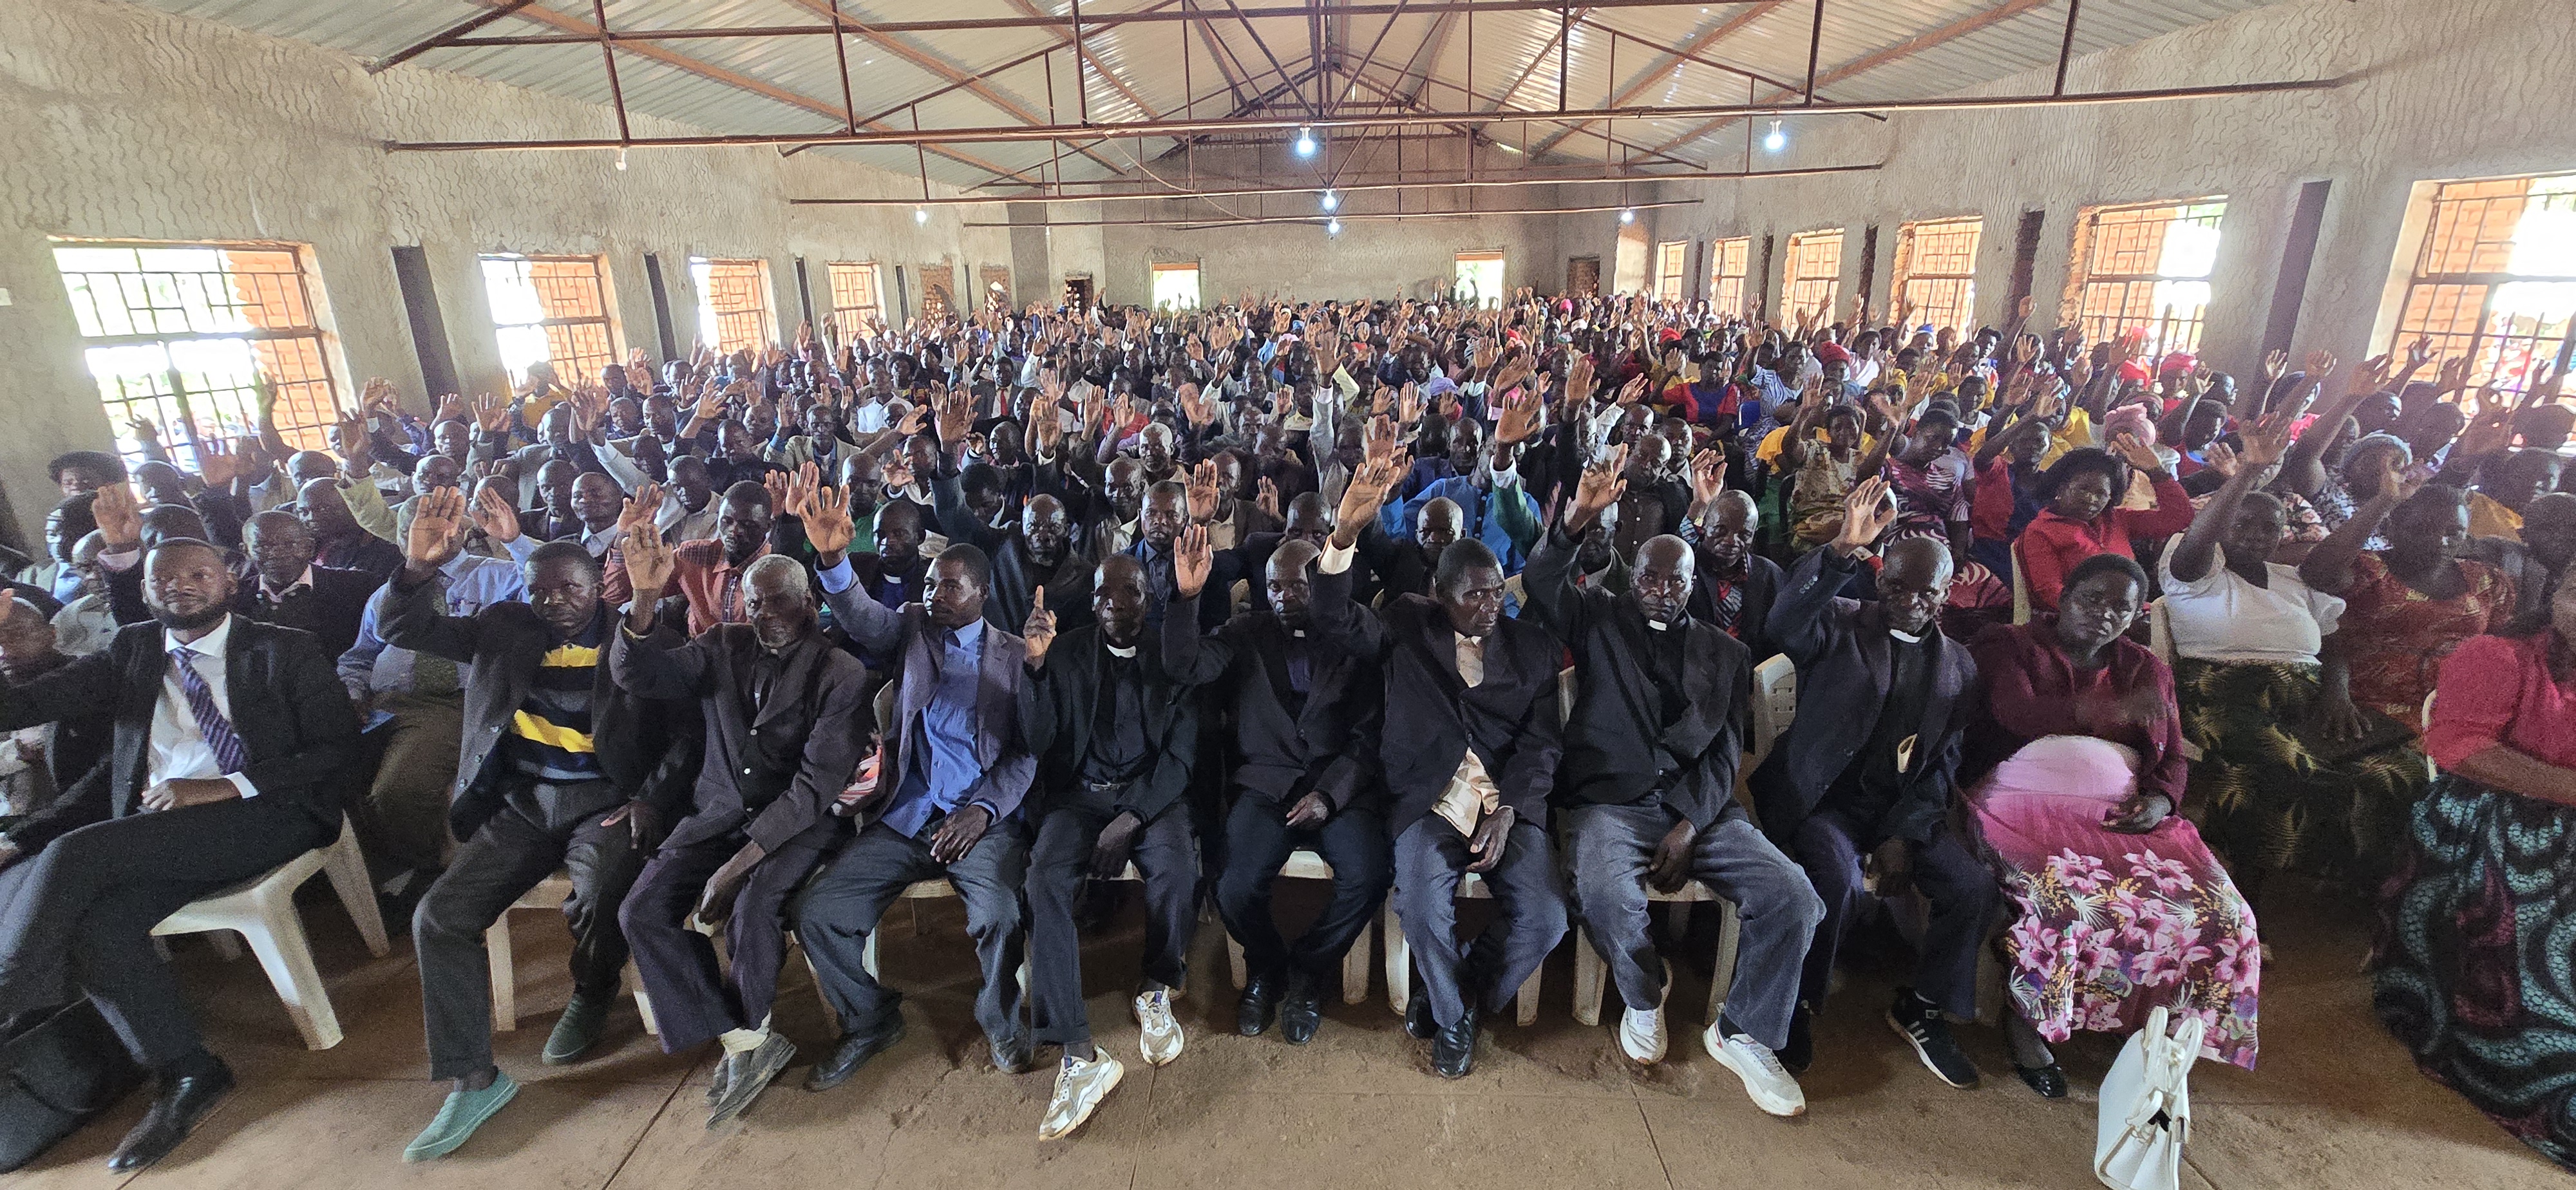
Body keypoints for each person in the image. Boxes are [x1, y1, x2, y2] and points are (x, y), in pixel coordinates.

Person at [0, 534, 359, 1172]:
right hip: (166, 827)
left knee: (77, 853)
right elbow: (24, 706)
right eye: (164, 578)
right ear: (143, 591)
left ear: (230, 582)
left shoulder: (283, 649)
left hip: (269, 812)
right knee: (101, 924)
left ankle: (9, 993)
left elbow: (337, 750)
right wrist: (19, 835)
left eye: (198, 574)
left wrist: (226, 785)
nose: (181, 586)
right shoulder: (133, 649)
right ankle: (188, 1071)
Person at [381, 490, 688, 1162]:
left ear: (596, 586)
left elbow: (683, 732)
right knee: (439, 917)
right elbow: (402, 629)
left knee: (602, 890)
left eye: (570, 588)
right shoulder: (504, 627)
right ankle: (473, 1079)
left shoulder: (640, 635)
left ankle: (593, 988)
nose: (555, 602)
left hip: (605, 801)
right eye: (541, 590)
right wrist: (416, 569)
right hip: (522, 803)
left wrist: (651, 799)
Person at [1531, 444, 1821, 1115]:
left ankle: (1742, 1031)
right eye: (1650, 577)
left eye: (1675, 580)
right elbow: (1544, 580)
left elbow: (1723, 754)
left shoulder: (1726, 652)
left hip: (1702, 810)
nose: (1661, 589)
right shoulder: (1599, 618)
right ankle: (1642, 994)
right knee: (1603, 890)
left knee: (1794, 895)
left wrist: (1691, 824)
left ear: (1695, 583)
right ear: (1633, 574)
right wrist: (1577, 520)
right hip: (1613, 802)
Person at [1965, 554, 2261, 1100]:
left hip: (2123, 809)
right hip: (2024, 802)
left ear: (2135, 615)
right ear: (2063, 598)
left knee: (2222, 912)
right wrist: (2116, 709)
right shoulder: (2008, 645)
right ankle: (2029, 1019)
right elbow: (2018, 714)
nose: (2104, 613)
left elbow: (2174, 756)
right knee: (2071, 904)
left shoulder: (2147, 668)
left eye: (2120, 608)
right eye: (2092, 599)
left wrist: (2161, 801)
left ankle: (2157, 1020)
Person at [1309, 457, 1567, 1081]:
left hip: (1505, 801)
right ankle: (1453, 1021)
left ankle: (1461, 990)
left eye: (1497, 590)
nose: (1490, 604)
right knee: (1422, 909)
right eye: (1474, 595)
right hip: (1427, 799)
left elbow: (1541, 745)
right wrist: (1343, 536)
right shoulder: (1405, 624)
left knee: (1547, 918)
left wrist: (1511, 811)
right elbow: (1336, 618)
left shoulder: (1531, 648)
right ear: (1442, 596)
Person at [610, 513, 869, 1129]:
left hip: (798, 824)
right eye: (755, 603)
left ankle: (751, 1030)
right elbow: (639, 673)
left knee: (754, 906)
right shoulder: (721, 646)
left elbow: (813, 789)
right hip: (717, 816)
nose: (765, 614)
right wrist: (644, 599)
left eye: (779, 601)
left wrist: (735, 867)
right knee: (640, 911)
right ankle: (742, 1037)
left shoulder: (840, 672)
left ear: (808, 603)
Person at [788, 469, 1037, 1090]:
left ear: (981, 593)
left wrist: (983, 811)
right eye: (930, 584)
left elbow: (1028, 754)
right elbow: (861, 616)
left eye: (950, 586)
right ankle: (870, 1019)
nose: (936, 594)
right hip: (908, 814)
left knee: (1002, 914)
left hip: (978, 821)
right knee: (818, 911)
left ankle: (1000, 1020)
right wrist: (833, 559)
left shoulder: (1015, 656)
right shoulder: (913, 628)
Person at [1752, 477, 1994, 1088]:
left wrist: (1905, 835)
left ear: (1946, 594)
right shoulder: (1840, 621)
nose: (1909, 600)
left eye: (1925, 591)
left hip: (1900, 808)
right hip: (1824, 800)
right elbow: (1782, 624)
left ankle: (1923, 1006)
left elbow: (1944, 762)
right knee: (1833, 879)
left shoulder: (1960, 666)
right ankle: (1800, 1002)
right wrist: (1841, 548)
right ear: (1879, 580)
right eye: (1897, 586)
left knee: (1972, 886)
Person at [2160, 414, 2421, 894]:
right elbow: (2199, 541)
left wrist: (2337, 693)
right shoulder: (2194, 571)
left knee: (2397, 771)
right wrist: (2247, 472)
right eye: (2243, 523)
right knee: (2287, 768)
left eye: (2269, 527)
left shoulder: (2294, 580)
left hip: (2308, 692)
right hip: (2225, 691)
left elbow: (2333, 643)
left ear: (2283, 536)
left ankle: (2353, 880)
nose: (2255, 534)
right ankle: (2252, 879)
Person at [2373, 580, 2576, 1172]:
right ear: (2557, 596)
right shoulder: (2497, 656)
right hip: (2488, 816)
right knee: (2545, 928)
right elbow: (2459, 745)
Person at [1161, 529, 1390, 1046]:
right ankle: (1266, 965)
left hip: (1338, 787)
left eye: (1296, 586)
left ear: (1321, 585)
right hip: (1265, 785)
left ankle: (1309, 970)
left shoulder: (1353, 635)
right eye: (1274, 587)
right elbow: (1184, 666)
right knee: (1234, 885)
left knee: (1369, 873)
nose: (1283, 597)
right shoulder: (1245, 632)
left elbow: (1369, 735)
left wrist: (1329, 795)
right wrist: (1187, 598)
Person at [1017, 552, 1204, 1138]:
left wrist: (1133, 816)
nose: (1115, 606)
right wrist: (1036, 669)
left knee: (1178, 868)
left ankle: (1157, 985)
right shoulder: (1066, 651)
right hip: (1080, 797)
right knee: (1043, 880)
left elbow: (1181, 757)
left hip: (1151, 797)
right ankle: (1079, 1053)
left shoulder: (1172, 657)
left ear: (1149, 599)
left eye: (1129, 594)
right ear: (1092, 599)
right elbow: (1039, 742)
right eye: (1103, 595)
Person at [2300, 480, 2517, 732]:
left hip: (2457, 714)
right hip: (2366, 711)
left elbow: (2499, 650)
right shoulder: (2367, 570)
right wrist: (2384, 500)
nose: (2441, 542)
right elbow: (2316, 574)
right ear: (2391, 530)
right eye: (2422, 529)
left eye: (2454, 532)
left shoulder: (2487, 580)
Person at [2013, 440, 2195, 612]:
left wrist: (2157, 472)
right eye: (2083, 489)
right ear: (2061, 488)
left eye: (2101, 493)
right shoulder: (2041, 531)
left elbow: (2178, 518)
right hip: (2083, 622)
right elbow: (2051, 593)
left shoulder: (2116, 520)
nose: (2091, 499)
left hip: (2132, 612)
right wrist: (2111, 615)